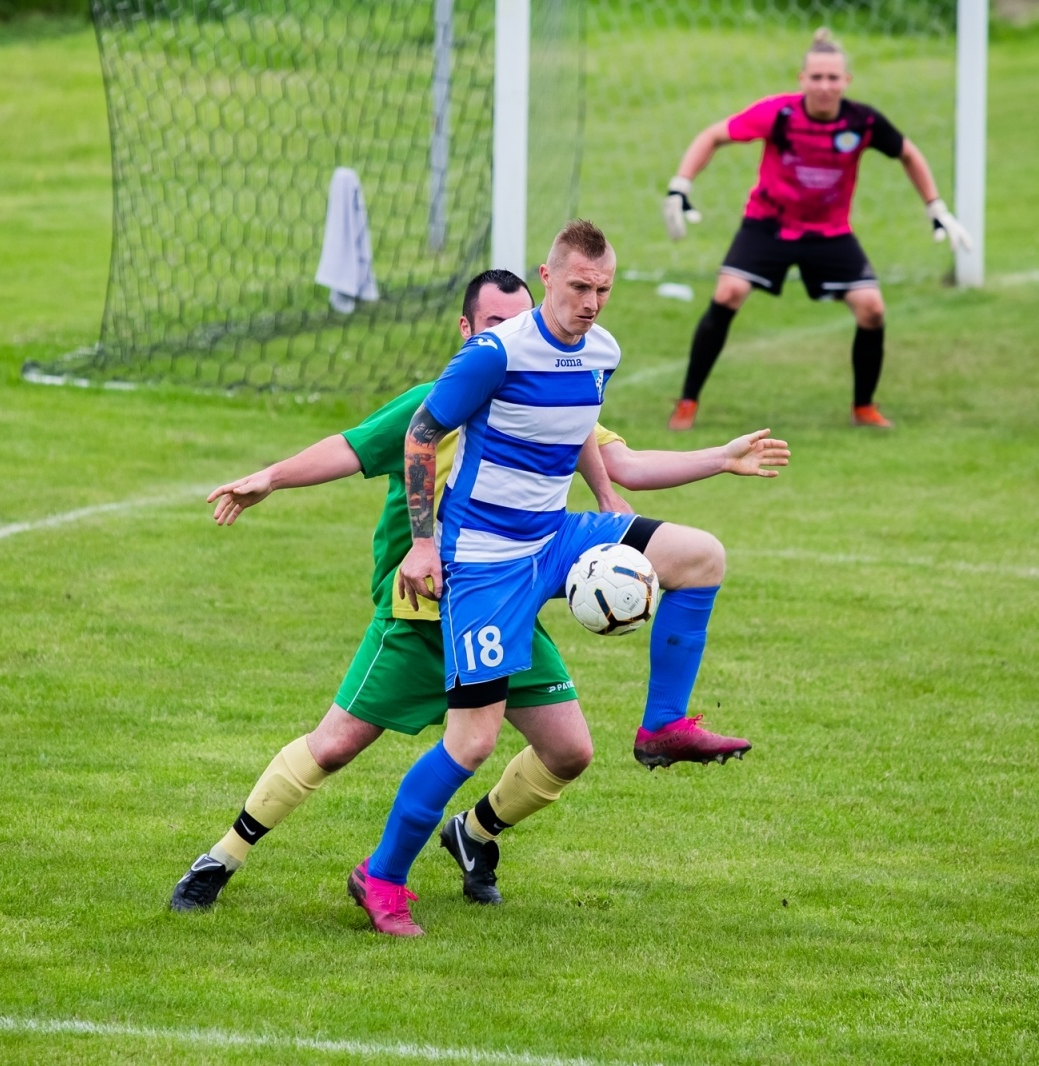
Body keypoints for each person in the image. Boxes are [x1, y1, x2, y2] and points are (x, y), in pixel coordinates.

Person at [170, 267, 789, 913]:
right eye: (495, 324)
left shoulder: (543, 388)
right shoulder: (435, 400)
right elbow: (349, 449)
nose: (511, 336)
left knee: (570, 751)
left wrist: (712, 459)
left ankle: (473, 834)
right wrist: (269, 477)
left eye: (517, 323)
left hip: (503, 601)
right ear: (466, 330)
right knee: (336, 745)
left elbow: (624, 462)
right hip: (418, 614)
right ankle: (222, 857)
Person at [349, 220, 747, 936]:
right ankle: (381, 876)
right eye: (578, 287)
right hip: (486, 560)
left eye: (603, 289)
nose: (592, 302)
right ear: (547, 277)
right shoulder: (496, 354)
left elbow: (579, 433)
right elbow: (419, 436)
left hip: (554, 537)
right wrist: (422, 543)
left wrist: (650, 483)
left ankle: (663, 726)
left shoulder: (603, 352)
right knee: (472, 743)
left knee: (701, 556)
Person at [661, 27, 972, 432]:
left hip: (829, 233)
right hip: (767, 225)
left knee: (872, 308)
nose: (825, 86)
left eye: (833, 78)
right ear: (802, 79)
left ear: (846, 81)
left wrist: (937, 209)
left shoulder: (863, 121)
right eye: (817, 77)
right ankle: (687, 402)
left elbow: (908, 153)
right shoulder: (779, 114)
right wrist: (680, 185)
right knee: (728, 292)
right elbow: (714, 135)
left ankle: (864, 408)